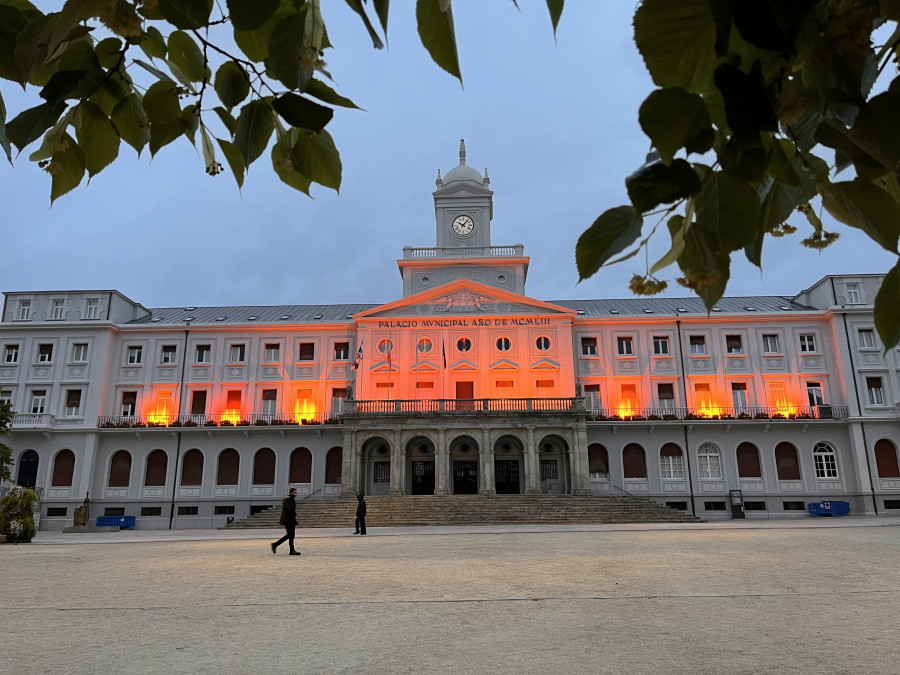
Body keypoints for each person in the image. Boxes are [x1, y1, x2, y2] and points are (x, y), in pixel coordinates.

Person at [271, 488, 300, 555]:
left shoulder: (289, 499)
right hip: (289, 520)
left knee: (290, 535)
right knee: (290, 535)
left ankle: (291, 550)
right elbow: (289, 509)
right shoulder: (290, 500)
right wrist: (295, 515)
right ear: (291, 493)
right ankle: (275, 544)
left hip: (288, 520)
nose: (296, 494)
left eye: (296, 492)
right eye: (295, 492)